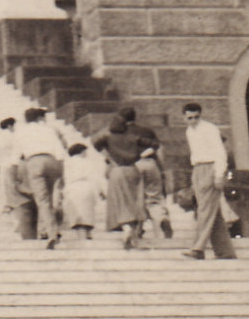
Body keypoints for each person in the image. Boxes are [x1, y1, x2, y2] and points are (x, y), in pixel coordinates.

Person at [181, 103, 237, 260]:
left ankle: (198, 248)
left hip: (211, 169)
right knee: (212, 211)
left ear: (201, 115)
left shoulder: (210, 129)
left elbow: (220, 153)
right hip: (198, 169)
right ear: (184, 117)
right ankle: (225, 252)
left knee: (204, 211)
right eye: (189, 118)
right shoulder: (189, 132)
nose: (193, 121)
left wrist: (219, 174)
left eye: (196, 117)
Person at [14, 107, 68, 249]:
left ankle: (51, 233)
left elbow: (17, 155)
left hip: (34, 162)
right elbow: (60, 152)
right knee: (49, 198)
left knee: (42, 200)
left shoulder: (21, 131)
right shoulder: (49, 130)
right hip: (52, 162)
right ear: (39, 118)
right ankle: (48, 228)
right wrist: (62, 174)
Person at [92, 116, 147, 250]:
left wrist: (108, 156)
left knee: (120, 202)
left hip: (116, 171)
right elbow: (154, 144)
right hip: (133, 170)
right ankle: (133, 235)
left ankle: (126, 229)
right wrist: (140, 155)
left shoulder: (108, 137)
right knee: (134, 202)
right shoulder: (132, 137)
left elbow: (95, 142)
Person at [121, 107, 174, 239]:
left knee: (134, 198)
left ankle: (137, 228)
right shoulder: (147, 131)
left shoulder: (121, 134)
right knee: (154, 198)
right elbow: (160, 150)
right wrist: (161, 169)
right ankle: (162, 218)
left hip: (133, 165)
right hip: (151, 163)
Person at [60, 143, 99, 241]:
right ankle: (87, 233)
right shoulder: (87, 162)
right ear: (81, 152)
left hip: (72, 188)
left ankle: (80, 235)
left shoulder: (66, 163)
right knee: (87, 213)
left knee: (76, 214)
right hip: (86, 187)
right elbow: (94, 177)